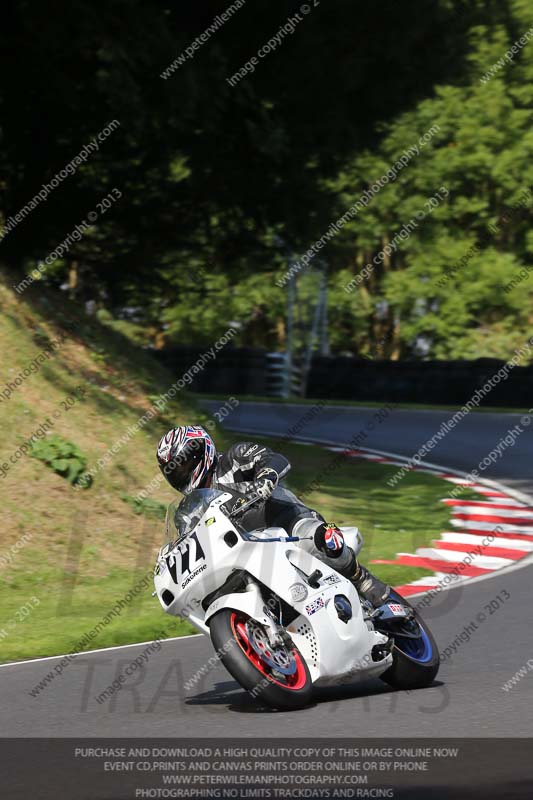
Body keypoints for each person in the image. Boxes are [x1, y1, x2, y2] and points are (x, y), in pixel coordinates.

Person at [156, 425, 391, 607]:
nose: (182, 474)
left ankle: (361, 578)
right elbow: (187, 543)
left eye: (184, 465)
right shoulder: (188, 511)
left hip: (285, 521)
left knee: (322, 537)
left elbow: (273, 458)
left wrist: (266, 476)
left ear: (201, 452)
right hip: (247, 553)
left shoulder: (234, 458)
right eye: (175, 471)